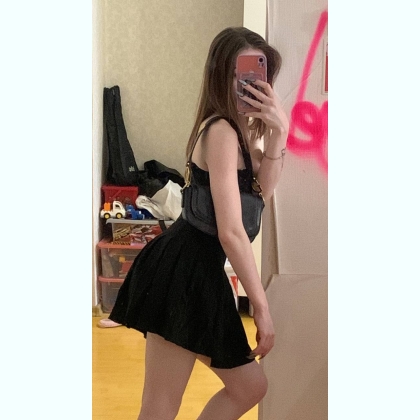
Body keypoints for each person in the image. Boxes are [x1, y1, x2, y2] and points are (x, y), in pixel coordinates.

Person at [109, 26, 289, 420]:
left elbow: (262, 193)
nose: (251, 84)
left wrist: (279, 132)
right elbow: (231, 231)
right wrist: (261, 307)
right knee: (160, 407)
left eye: (258, 74)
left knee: (247, 387)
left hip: (198, 272)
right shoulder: (221, 131)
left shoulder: (241, 133)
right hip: (182, 271)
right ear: (221, 75)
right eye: (242, 74)